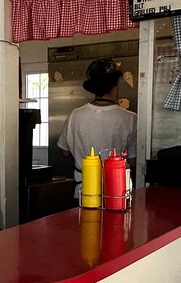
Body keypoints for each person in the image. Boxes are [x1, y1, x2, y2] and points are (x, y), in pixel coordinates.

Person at [57, 58, 137, 200]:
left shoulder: (75, 115)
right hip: (117, 193)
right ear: (116, 86)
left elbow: (64, 152)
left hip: (84, 192)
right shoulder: (130, 118)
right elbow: (133, 162)